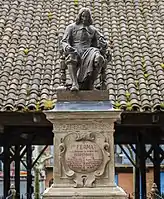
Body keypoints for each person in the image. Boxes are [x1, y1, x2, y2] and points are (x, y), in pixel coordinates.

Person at [61, 7, 109, 91]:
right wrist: (67, 47)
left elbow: (102, 39)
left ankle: (91, 83)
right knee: (72, 56)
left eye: (87, 17)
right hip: (76, 50)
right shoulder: (71, 27)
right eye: (83, 16)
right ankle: (75, 83)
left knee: (99, 58)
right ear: (79, 16)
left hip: (89, 51)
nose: (84, 18)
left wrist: (104, 44)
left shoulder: (93, 29)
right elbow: (64, 41)